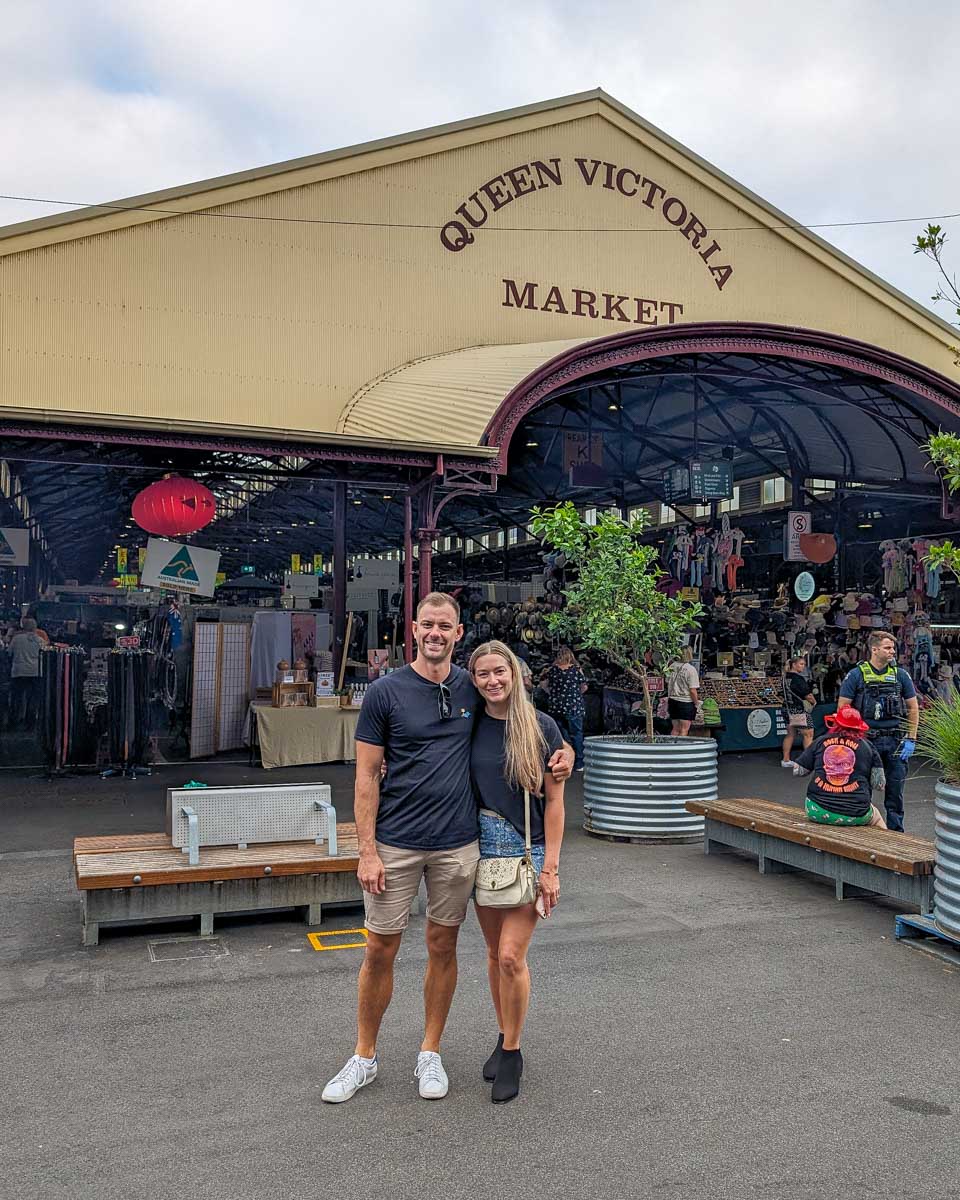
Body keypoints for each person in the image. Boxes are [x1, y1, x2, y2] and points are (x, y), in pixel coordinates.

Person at [322, 592, 572, 1105]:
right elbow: (366, 775)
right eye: (428, 625)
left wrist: (565, 751)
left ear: (459, 634)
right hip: (396, 841)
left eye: (446, 626)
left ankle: (430, 1052)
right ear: (413, 630)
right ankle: (364, 1056)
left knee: (444, 947)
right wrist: (365, 850)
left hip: (460, 846)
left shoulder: (471, 687)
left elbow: (527, 721)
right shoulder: (384, 693)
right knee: (378, 949)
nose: (436, 633)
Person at [469, 640, 565, 1104]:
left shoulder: (541, 727)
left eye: (500, 672)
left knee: (511, 956)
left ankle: (512, 1050)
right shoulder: (468, 724)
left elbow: (556, 802)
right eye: (483, 674)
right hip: (479, 848)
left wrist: (552, 868)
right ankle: (502, 1030)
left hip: (526, 849)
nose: (493, 681)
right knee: (491, 953)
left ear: (516, 674)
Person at [836, 630, 919, 832]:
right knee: (862, 788)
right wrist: (849, 740)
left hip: (895, 741)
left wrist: (911, 738)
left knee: (895, 791)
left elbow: (913, 708)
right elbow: (842, 709)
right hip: (865, 741)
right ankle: (864, 834)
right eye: (887, 648)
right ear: (874, 649)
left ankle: (896, 835)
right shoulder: (855, 675)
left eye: (893, 648)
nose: (892, 652)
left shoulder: (900, 675)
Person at [792, 705, 887, 828]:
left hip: (817, 810)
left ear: (836, 724)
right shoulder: (868, 747)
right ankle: (889, 846)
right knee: (877, 818)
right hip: (856, 813)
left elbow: (798, 771)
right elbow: (878, 784)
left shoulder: (820, 741)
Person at [547, 646, 587, 768]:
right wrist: (576, 694)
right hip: (574, 706)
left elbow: (545, 684)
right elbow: (584, 687)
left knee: (560, 734)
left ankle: (563, 761)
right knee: (577, 733)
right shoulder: (576, 669)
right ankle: (579, 763)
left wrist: (554, 695)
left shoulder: (553, 670)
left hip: (557, 706)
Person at [781, 655, 816, 767]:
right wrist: (814, 702)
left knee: (790, 734)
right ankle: (807, 762)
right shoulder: (798, 679)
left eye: (804, 664)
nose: (803, 666)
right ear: (794, 665)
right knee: (808, 734)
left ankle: (785, 760)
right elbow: (808, 695)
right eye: (801, 664)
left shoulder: (785, 677)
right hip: (798, 710)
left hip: (786, 709)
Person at [8, 617, 43, 728]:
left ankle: (13, 722)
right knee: (32, 698)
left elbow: (9, 653)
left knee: (17, 698)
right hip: (35, 672)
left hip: (18, 671)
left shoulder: (16, 639)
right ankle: (30, 723)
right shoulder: (40, 640)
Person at [666, 646, 700, 737]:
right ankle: (681, 749)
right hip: (685, 702)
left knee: (675, 728)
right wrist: (696, 703)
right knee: (684, 730)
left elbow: (667, 682)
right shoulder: (690, 669)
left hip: (673, 701)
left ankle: (672, 748)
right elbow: (692, 690)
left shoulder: (671, 666)